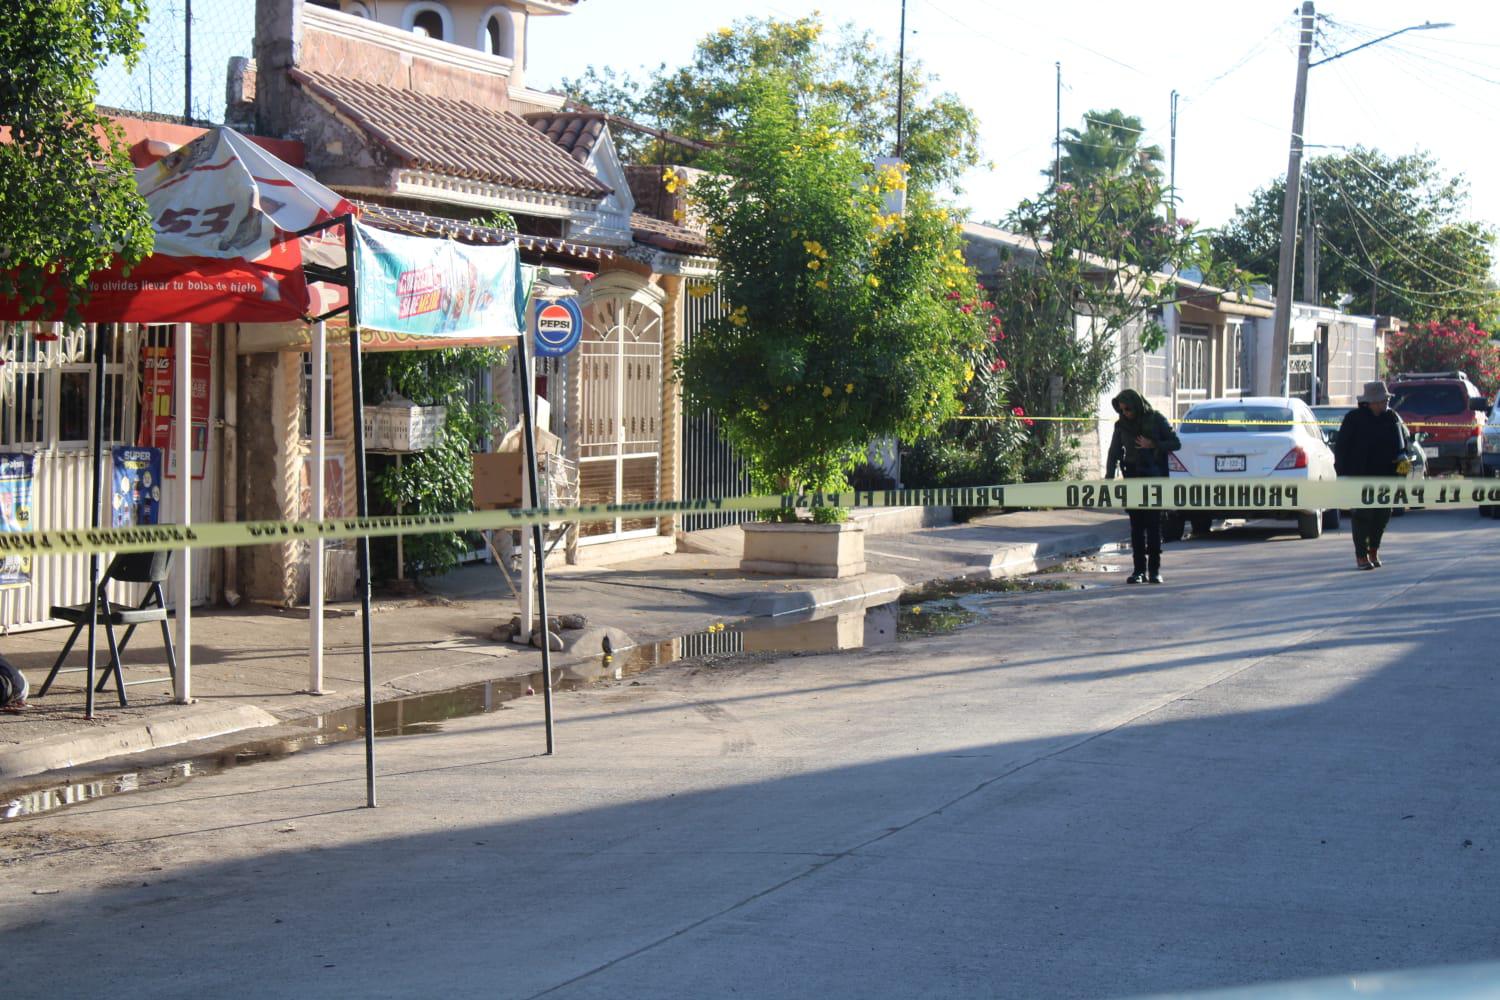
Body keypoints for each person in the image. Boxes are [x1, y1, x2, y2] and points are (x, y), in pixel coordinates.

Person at [1106, 389, 1182, 584]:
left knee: (1154, 525)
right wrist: (1108, 478)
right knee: (1136, 527)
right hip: (1132, 477)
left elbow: (1175, 443)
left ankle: (1154, 570)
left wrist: (1153, 444)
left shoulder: (1155, 419)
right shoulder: (1121, 426)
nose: (1125, 413)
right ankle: (1138, 570)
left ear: (1137, 405)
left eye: (1128, 409)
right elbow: (1114, 452)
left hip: (1153, 477)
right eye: (1121, 410)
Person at [1335, 380, 1409, 570]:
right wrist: (1341, 473)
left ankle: (1373, 550)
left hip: (1386, 477)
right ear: (1370, 402)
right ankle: (1361, 555)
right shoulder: (1353, 419)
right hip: (1360, 476)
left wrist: (1402, 472)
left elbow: (1402, 449)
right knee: (1362, 516)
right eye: (1381, 400)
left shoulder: (1391, 418)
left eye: (1385, 400)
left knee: (1382, 516)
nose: (1385, 403)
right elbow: (1342, 448)